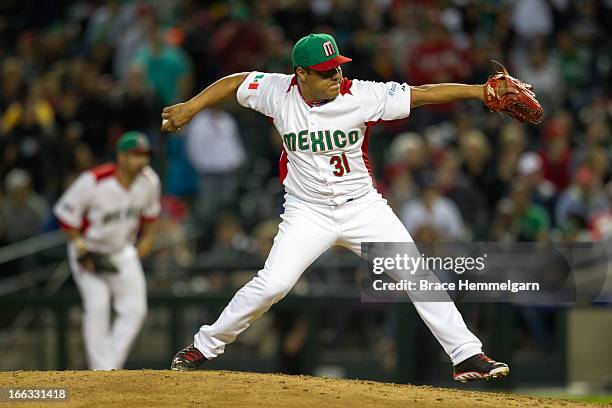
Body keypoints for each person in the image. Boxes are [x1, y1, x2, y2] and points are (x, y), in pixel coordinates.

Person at [161, 33, 510, 382]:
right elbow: (236, 82)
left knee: (417, 274)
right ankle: (203, 347)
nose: (336, 77)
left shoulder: (361, 94)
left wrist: (479, 91)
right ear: (301, 75)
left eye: (337, 68)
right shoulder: (276, 91)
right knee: (273, 285)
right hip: (307, 212)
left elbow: (422, 94)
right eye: (326, 72)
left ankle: (465, 354)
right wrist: (191, 106)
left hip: (363, 209)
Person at [53, 131, 161, 370]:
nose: (142, 160)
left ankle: (109, 366)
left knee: (135, 310)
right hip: (89, 249)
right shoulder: (94, 180)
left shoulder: (150, 181)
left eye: (145, 155)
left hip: (122, 251)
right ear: (121, 156)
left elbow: (151, 214)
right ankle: (102, 371)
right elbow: (65, 215)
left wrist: (149, 239)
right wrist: (80, 246)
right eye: (136, 155)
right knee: (97, 306)